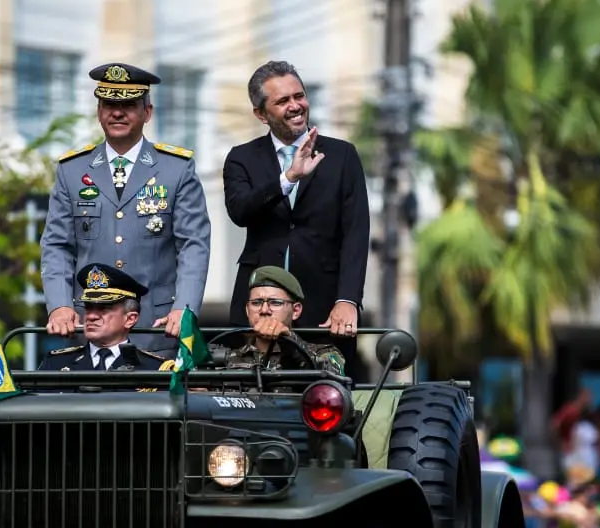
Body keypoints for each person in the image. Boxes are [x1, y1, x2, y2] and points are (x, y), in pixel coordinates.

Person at [40, 63, 211, 354]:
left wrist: (184, 309)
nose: (117, 113)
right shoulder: (72, 170)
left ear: (148, 112)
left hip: (156, 329)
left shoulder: (176, 169)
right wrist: (59, 306)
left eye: (128, 105)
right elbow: (57, 245)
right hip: (89, 326)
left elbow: (193, 245)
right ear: (98, 111)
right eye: (108, 104)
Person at [222, 61, 370, 379]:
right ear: (261, 114)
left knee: (326, 401)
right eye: (282, 101)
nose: (295, 106)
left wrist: (348, 300)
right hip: (256, 309)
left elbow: (356, 232)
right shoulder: (241, 157)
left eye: (299, 96)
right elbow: (240, 211)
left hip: (323, 310)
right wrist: (288, 178)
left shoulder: (342, 155)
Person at [212, 265, 345, 374]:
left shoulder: (324, 353)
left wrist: (290, 342)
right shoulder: (227, 358)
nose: (264, 310)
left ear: (296, 311)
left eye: (275, 302)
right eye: (256, 303)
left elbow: (333, 381)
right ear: (247, 310)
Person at [39, 263, 167, 372]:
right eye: (88, 307)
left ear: (130, 319)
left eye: (104, 308)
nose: (92, 316)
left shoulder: (155, 368)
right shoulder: (55, 364)